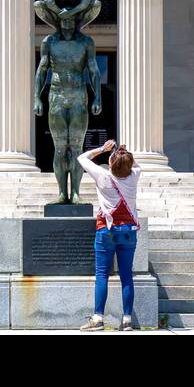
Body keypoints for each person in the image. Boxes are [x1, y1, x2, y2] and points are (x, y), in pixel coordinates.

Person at [76, 139, 140, 331]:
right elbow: (134, 164)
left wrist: (104, 149)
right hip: (129, 230)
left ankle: (98, 318)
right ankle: (127, 319)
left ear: (111, 163)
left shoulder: (103, 176)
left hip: (107, 230)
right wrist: (123, 152)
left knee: (102, 274)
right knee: (127, 275)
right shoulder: (134, 175)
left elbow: (82, 157)